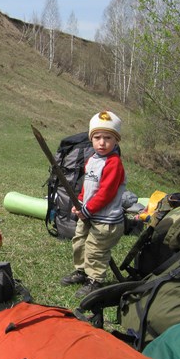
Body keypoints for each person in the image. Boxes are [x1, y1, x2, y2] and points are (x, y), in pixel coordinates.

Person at [60, 110, 126, 298]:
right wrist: (80, 202)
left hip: (106, 220)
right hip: (88, 214)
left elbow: (106, 193)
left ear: (116, 141)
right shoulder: (92, 160)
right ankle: (82, 271)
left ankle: (95, 281)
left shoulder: (114, 163)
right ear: (91, 139)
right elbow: (87, 186)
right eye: (97, 137)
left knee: (95, 249)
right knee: (79, 242)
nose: (102, 142)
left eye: (108, 137)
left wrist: (87, 210)